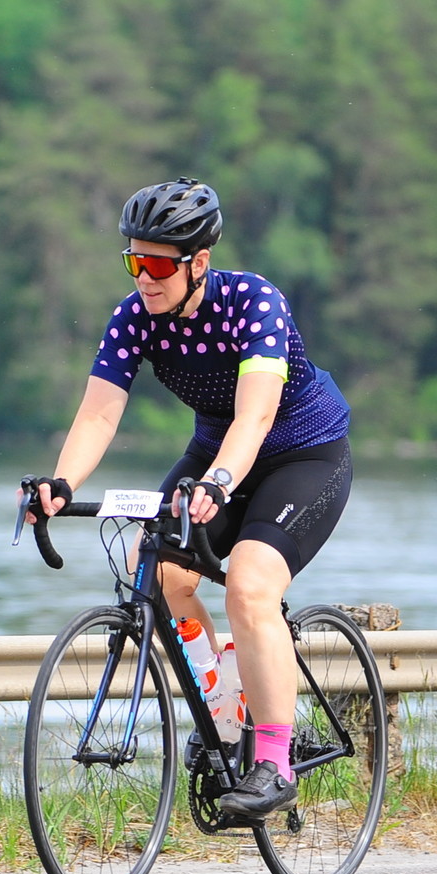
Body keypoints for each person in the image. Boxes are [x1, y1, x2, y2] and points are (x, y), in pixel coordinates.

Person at [26, 177, 354, 818]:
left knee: (250, 586)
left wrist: (219, 483)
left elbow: (255, 416)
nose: (143, 279)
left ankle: (274, 763)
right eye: (134, 262)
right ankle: (225, 709)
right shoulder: (133, 317)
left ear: (198, 263)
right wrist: (62, 485)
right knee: (158, 570)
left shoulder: (254, 302)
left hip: (302, 453)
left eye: (157, 266)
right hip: (214, 453)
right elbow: (98, 415)